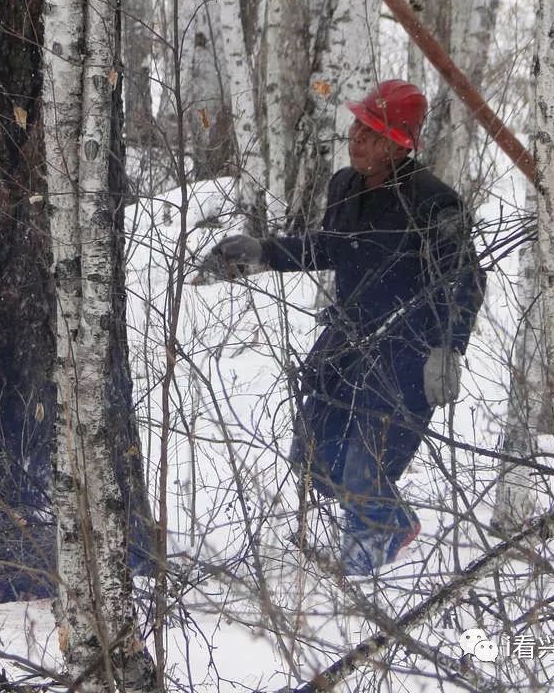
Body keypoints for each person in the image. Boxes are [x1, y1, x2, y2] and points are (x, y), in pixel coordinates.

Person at [206, 80, 485, 576]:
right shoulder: (345, 185)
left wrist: (448, 349)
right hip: (349, 338)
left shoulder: (435, 203)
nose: (356, 137)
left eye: (371, 131)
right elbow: (333, 247)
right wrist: (266, 253)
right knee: (314, 451)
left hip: (407, 350)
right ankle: (390, 518)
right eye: (357, 125)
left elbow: (463, 280)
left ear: (399, 142)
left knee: (366, 467)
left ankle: (367, 557)